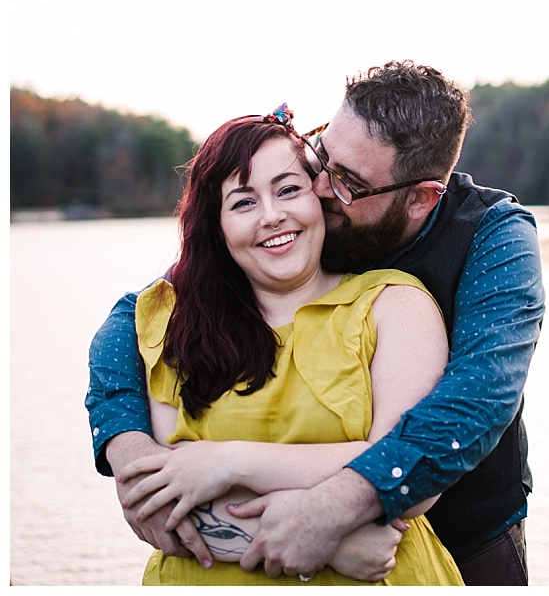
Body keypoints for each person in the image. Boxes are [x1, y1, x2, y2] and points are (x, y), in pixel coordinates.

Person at [86, 61, 545, 585]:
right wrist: (125, 444)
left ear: (420, 198)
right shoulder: (298, 215)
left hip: (465, 537)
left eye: (348, 182)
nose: (320, 187)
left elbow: (477, 400)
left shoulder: (491, 240)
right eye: (322, 154)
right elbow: (136, 315)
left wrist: (333, 516)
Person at [115, 105, 463, 585]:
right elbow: (160, 500)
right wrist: (332, 542)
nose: (273, 216)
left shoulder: (393, 305)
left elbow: (408, 474)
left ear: (319, 196)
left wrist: (227, 462)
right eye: (243, 202)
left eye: (288, 189)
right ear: (215, 226)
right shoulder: (173, 319)